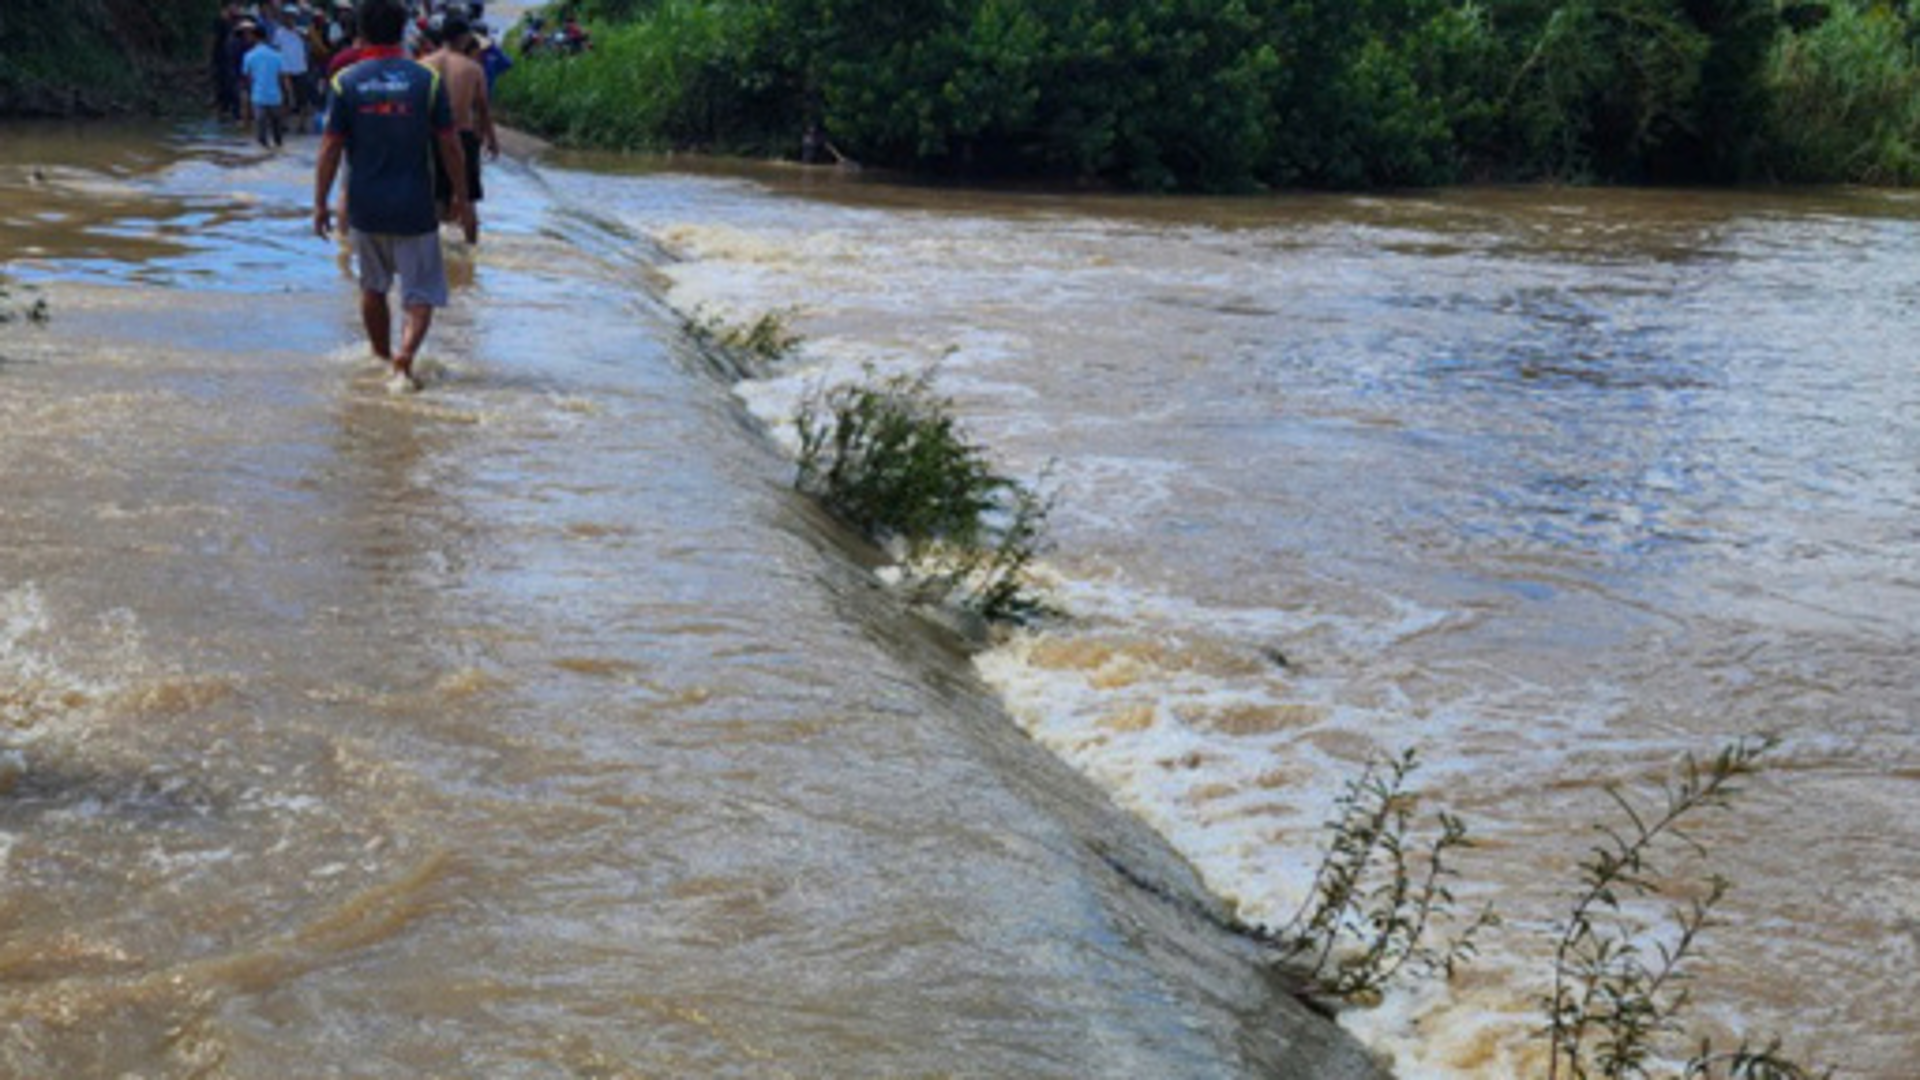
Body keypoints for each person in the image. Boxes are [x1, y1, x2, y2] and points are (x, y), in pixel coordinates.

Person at [313, 0, 474, 394]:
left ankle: (382, 356)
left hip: (366, 205)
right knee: (420, 293)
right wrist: (462, 197)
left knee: (373, 287)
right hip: (414, 205)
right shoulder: (424, 80)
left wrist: (320, 203)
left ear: (362, 32)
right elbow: (449, 144)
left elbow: (330, 148)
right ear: (403, 30)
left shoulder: (346, 82)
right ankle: (406, 356)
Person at [423, 15, 498, 237]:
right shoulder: (473, 68)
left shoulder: (423, 64)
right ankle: (470, 257)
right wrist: (491, 139)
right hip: (462, 136)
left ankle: (432, 253)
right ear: (464, 38)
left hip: (430, 135)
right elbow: (483, 109)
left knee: (433, 197)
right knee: (466, 200)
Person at [239, 21, 289, 148]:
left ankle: (263, 163)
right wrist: (288, 97)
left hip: (258, 97)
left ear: (254, 37)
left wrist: (246, 103)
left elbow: (247, 79)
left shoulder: (248, 56)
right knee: (278, 138)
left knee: (261, 139)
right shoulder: (277, 55)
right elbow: (283, 79)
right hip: (275, 98)